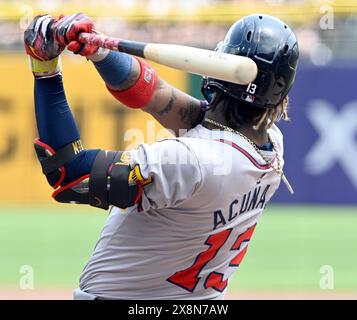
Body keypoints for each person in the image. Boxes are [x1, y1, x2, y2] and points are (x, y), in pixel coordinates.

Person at [24, 13, 299, 300]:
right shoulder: (270, 143)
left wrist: (45, 70)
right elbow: (155, 94)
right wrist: (101, 51)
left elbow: (70, 174)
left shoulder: (190, 161)